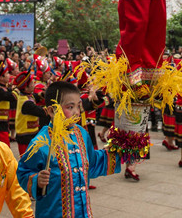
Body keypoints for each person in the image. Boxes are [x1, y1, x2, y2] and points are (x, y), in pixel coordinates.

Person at [17, 81, 122, 216]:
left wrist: (120, 151)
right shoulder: (41, 143)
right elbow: (23, 172)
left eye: (78, 107)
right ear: (51, 110)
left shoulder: (81, 134)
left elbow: (93, 162)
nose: (76, 113)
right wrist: (37, 180)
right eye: (70, 107)